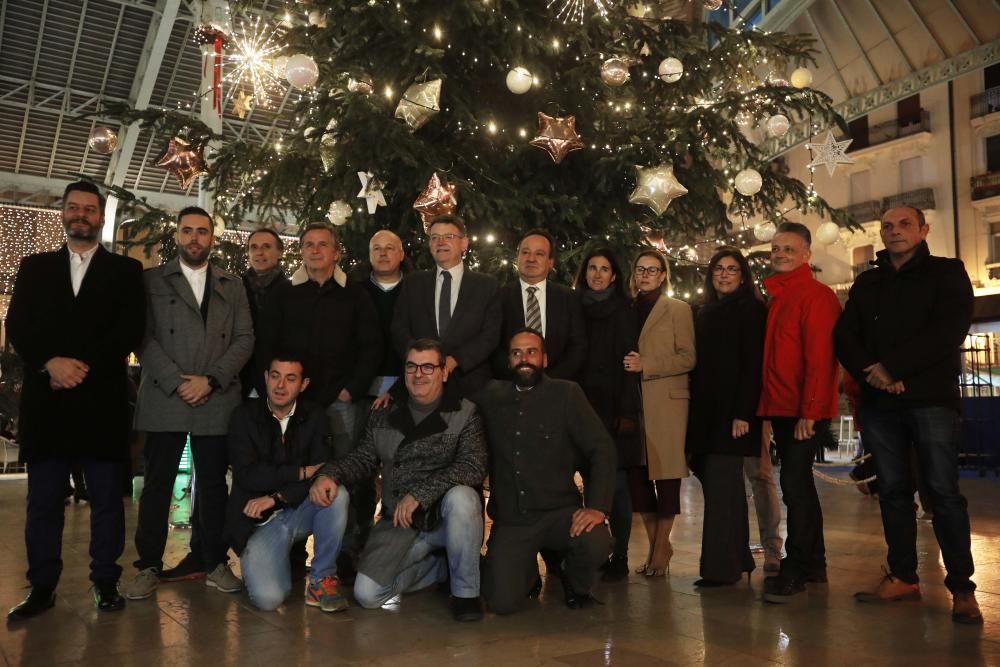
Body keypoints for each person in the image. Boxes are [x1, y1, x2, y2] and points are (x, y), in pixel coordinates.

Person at [835, 205, 982, 624]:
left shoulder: (947, 272)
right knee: (894, 492)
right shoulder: (868, 282)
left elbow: (949, 330)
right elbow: (845, 336)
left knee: (942, 493)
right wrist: (874, 372)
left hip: (931, 400)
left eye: (903, 224)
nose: (893, 231)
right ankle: (902, 576)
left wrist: (894, 369)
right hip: (882, 404)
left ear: (923, 230)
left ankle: (962, 588)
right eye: (886, 226)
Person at [6, 181, 145, 620]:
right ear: (64, 214)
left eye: (89, 209)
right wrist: (51, 362)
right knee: (43, 502)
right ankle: (42, 585)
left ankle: (105, 581)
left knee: (107, 501)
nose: (81, 215)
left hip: (101, 403)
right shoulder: (33, 268)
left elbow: (129, 330)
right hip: (47, 404)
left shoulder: (125, 272)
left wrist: (79, 367)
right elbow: (19, 326)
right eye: (74, 208)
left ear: (102, 217)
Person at [309, 339, 488, 622]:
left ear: (443, 372)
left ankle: (465, 593)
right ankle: (439, 568)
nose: (419, 374)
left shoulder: (465, 412)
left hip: (445, 520)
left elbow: (473, 465)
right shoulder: (383, 413)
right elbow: (363, 458)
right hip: (399, 522)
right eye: (412, 366)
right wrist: (330, 473)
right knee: (367, 595)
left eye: (428, 367)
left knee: (464, 498)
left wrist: (420, 494)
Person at [126, 206, 254, 600]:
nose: (195, 238)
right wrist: (176, 382)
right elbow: (141, 337)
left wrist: (211, 380)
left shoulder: (232, 284)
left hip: (215, 398)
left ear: (212, 238)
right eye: (187, 231)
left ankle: (212, 560)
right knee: (157, 486)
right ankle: (148, 565)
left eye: (202, 231)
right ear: (177, 236)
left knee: (214, 486)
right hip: (168, 396)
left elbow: (245, 338)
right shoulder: (151, 280)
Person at [478, 329, 616, 614]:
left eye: (531, 352)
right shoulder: (491, 396)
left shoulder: (567, 394)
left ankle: (574, 580)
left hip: (559, 513)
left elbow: (601, 448)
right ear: (508, 361)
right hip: (514, 519)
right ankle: (525, 570)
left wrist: (597, 507)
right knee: (500, 603)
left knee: (596, 541)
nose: (524, 359)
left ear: (544, 359)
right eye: (516, 353)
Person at [757, 221, 841, 603]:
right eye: (776, 248)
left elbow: (820, 359)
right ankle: (816, 563)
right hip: (784, 406)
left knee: (794, 486)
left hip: (802, 409)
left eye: (788, 249)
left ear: (807, 254)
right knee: (800, 485)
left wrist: (810, 411)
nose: (780, 254)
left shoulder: (815, 296)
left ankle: (796, 568)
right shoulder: (780, 296)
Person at [226, 354, 347, 613]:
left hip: (296, 511)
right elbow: (248, 475)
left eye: (290, 378)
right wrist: (300, 472)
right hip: (257, 524)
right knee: (268, 599)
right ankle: (264, 562)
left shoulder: (316, 416)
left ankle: (321, 580)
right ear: (266, 378)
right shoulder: (243, 416)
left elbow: (322, 470)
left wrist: (277, 497)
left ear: (303, 384)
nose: (281, 385)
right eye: (275, 376)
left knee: (335, 492)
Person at [257, 223, 382, 462]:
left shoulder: (356, 295)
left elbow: (372, 346)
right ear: (302, 252)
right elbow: (265, 344)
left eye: (322, 244)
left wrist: (351, 390)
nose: (315, 250)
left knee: (342, 468)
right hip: (291, 401)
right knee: (291, 466)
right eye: (309, 245)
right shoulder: (283, 293)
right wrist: (273, 391)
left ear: (336, 253)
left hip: (340, 401)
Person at [686, 247, 765, 586]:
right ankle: (739, 558)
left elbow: (753, 365)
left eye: (732, 269)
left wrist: (743, 413)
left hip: (733, 414)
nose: (724, 274)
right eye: (719, 268)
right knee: (724, 489)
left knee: (722, 488)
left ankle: (722, 568)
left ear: (743, 276)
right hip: (705, 413)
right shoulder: (705, 311)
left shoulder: (750, 309)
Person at [624, 249, 694, 578]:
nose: (646, 274)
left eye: (653, 269)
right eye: (641, 269)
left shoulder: (677, 309)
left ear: (663, 274)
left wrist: (646, 366)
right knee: (637, 479)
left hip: (667, 403)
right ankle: (658, 546)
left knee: (666, 479)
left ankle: (661, 545)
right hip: (632, 403)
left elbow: (687, 357)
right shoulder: (625, 309)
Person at [573, 247, 641, 582]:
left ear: (614, 275)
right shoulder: (574, 307)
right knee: (588, 484)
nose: (598, 274)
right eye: (592, 268)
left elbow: (631, 363)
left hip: (615, 410)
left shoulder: (624, 310)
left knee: (616, 487)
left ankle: (621, 554)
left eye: (604, 269)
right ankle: (594, 549)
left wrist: (628, 411)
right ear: (584, 273)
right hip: (581, 406)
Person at [392, 214, 502, 397]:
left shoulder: (487, 285)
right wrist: (422, 361)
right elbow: (399, 327)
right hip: (421, 386)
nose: (440, 242)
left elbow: (490, 335)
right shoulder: (413, 283)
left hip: (472, 387)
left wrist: (455, 360)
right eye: (434, 237)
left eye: (448, 237)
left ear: (464, 243)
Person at [496, 229, 587, 380]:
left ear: (551, 262)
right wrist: (517, 377)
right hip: (511, 386)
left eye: (539, 254)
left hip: (557, 387)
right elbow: (493, 346)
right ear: (517, 258)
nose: (531, 259)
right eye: (525, 252)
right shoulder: (499, 297)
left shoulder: (569, 298)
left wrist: (550, 382)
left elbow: (578, 347)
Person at [240, 228, 291, 399]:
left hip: (277, 384)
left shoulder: (293, 291)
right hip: (238, 382)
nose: (259, 252)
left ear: (280, 252)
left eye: (266, 247)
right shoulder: (234, 288)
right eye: (254, 247)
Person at [746, 423, 784, 572]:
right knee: (730, 482)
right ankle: (734, 549)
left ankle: (772, 549)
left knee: (760, 475)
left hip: (754, 415)